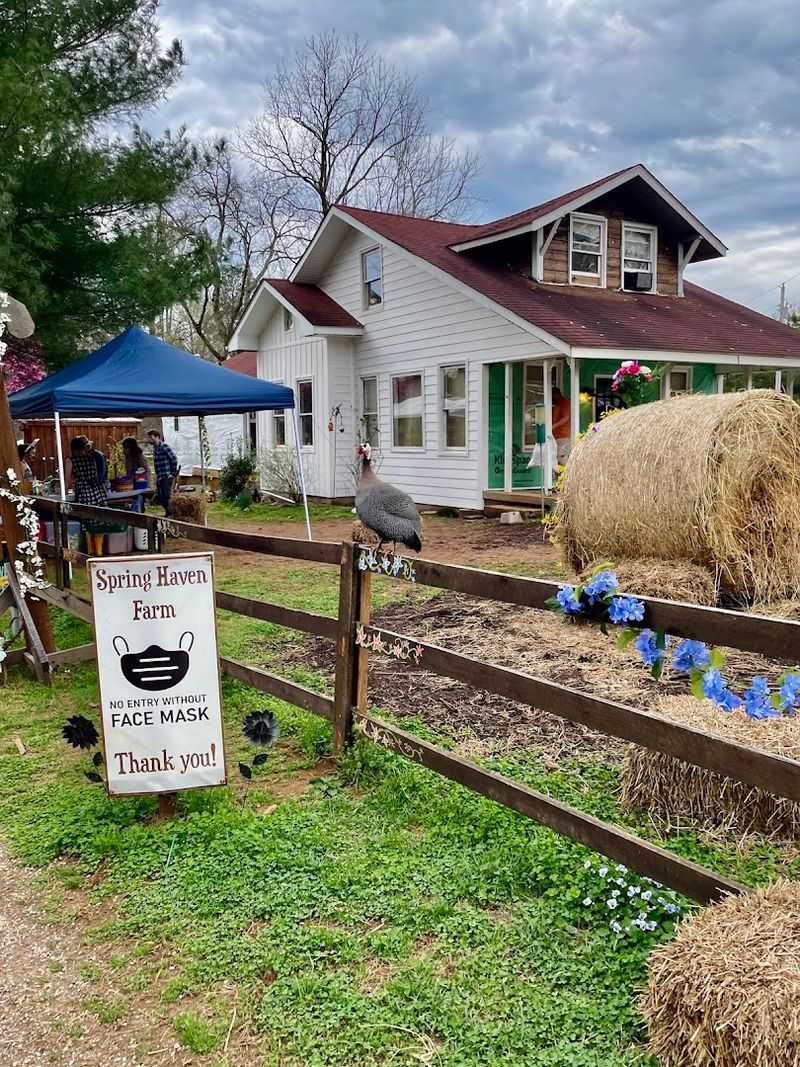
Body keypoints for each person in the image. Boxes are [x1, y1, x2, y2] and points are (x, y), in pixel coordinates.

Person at [68, 435, 108, 555]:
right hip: (98, 490)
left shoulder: (71, 460)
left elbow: (67, 480)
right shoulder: (94, 456)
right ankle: (99, 551)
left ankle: (89, 551)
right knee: (99, 520)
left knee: (86, 522)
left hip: (84, 492)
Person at [147, 429, 179, 516]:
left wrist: (173, 472)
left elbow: (174, 458)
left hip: (166, 475)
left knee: (166, 496)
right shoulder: (155, 448)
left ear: (157, 437)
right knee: (161, 496)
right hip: (160, 476)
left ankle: (171, 514)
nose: (149, 439)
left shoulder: (164, 446)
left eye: (151, 437)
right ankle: (168, 512)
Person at [122, 437, 150, 512]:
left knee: (138, 499)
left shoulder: (139, 456)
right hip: (132, 482)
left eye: (125, 448)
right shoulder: (128, 456)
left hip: (140, 482)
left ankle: (139, 515)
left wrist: (137, 474)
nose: (124, 450)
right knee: (134, 501)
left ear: (130, 448)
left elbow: (146, 469)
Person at [551, 387, 572, 465]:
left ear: (556, 394)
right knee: (557, 459)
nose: (552, 398)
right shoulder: (557, 404)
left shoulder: (564, 403)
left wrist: (553, 426)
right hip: (557, 436)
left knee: (561, 457)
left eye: (552, 395)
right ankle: (560, 476)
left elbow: (566, 417)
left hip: (564, 436)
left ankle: (567, 475)